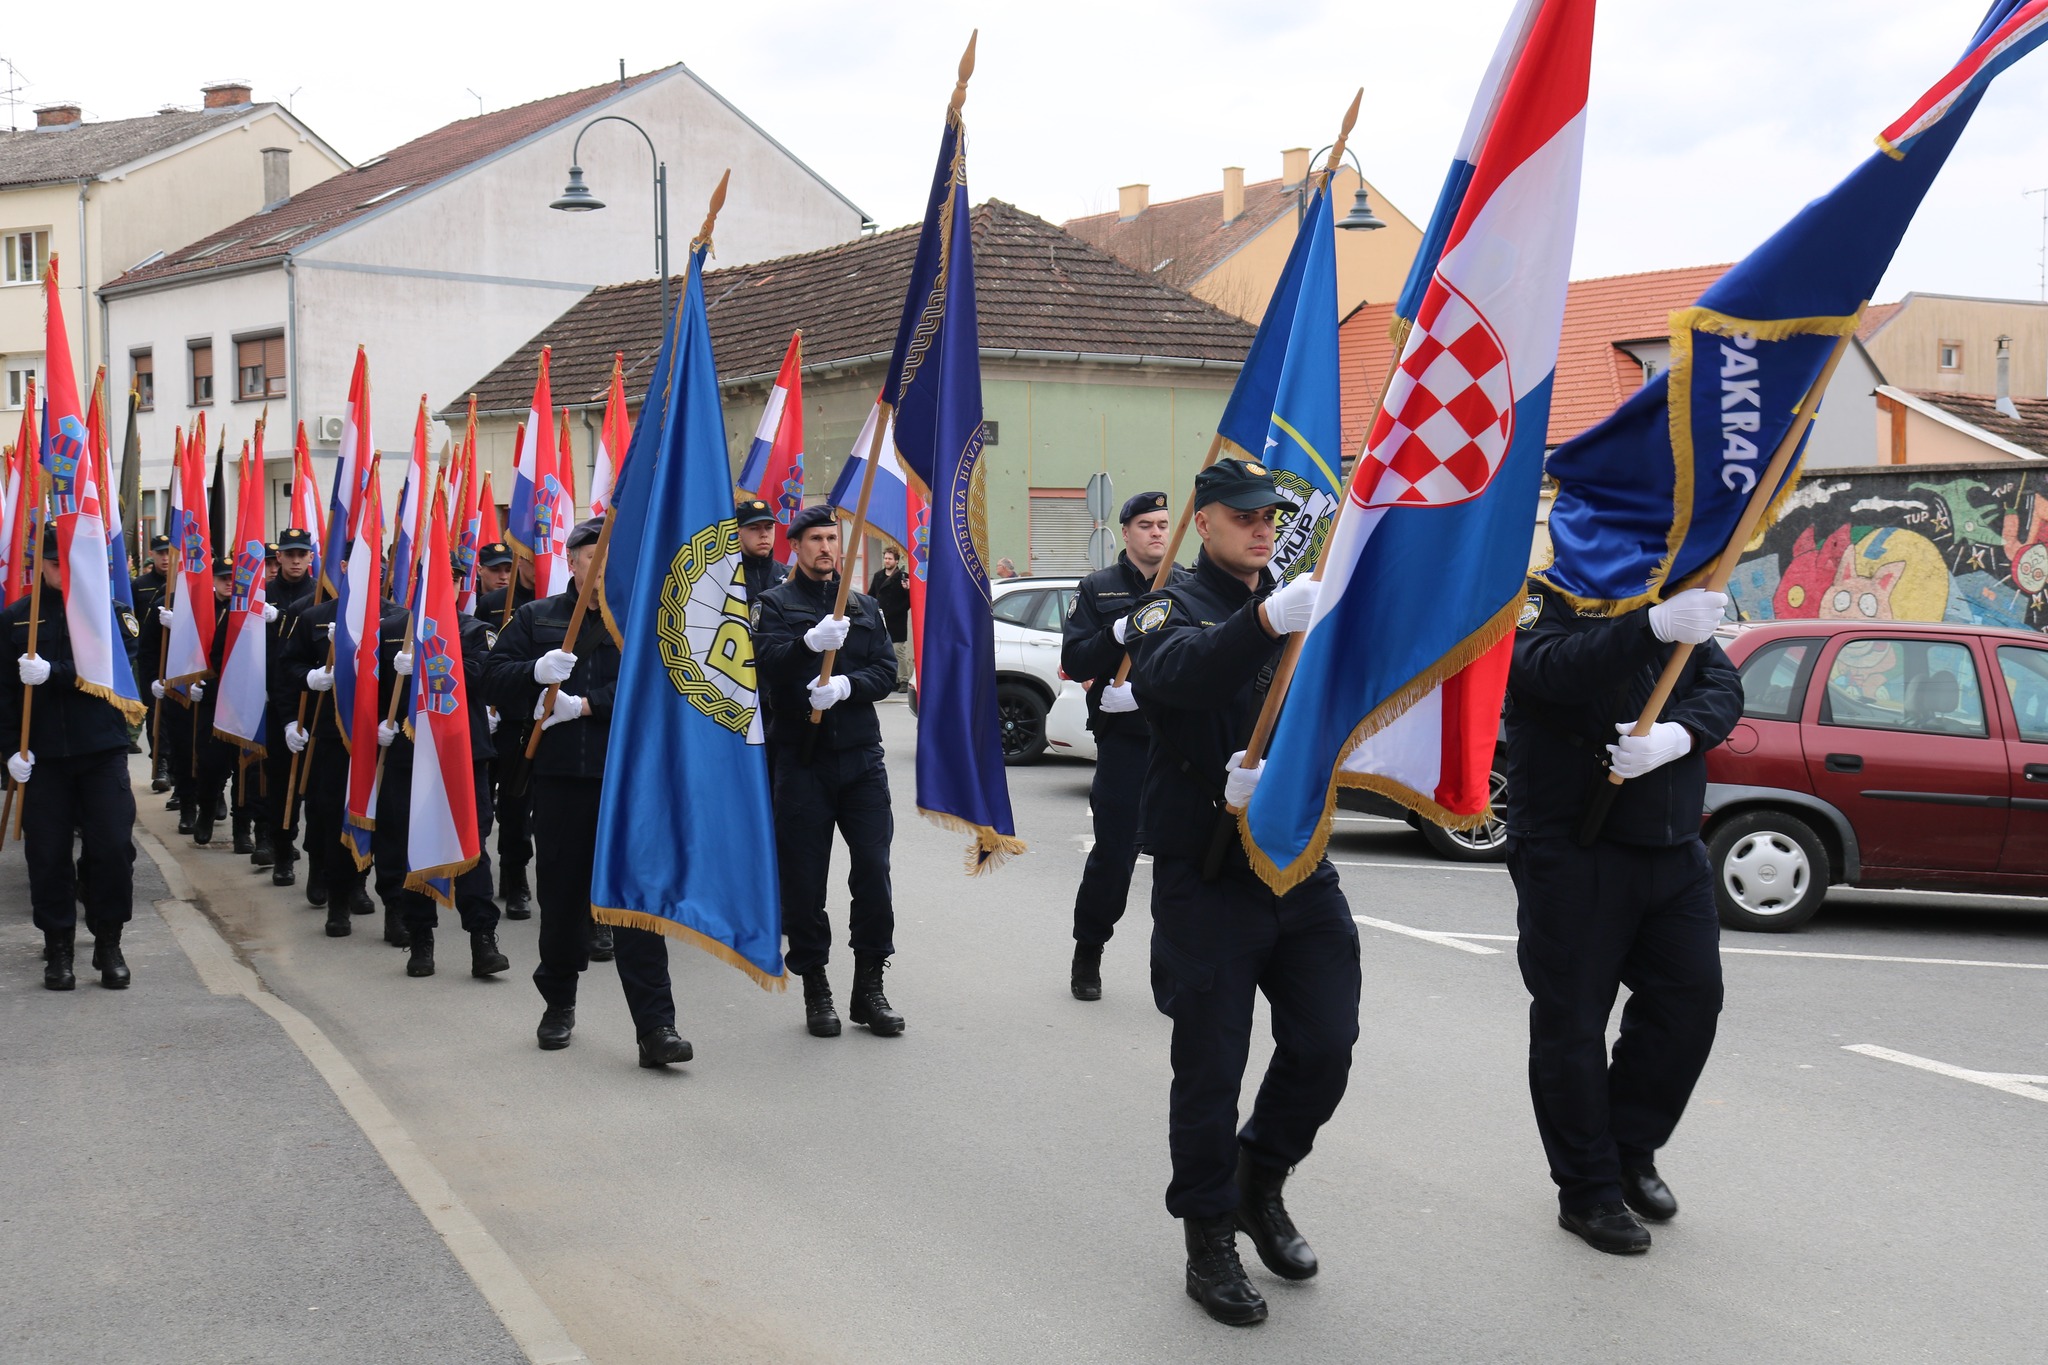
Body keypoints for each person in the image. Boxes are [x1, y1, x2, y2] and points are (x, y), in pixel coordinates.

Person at [1122, 458, 1360, 1328]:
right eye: (1244, 515)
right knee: (1211, 1068)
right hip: (1208, 871)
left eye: (1271, 516)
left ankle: (1263, 1175)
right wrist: (1265, 619)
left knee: (1327, 1043)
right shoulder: (1168, 603)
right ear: (1206, 520)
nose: (1262, 528)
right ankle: (1210, 1234)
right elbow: (1175, 676)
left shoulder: (1300, 601)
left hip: (1294, 864)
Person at [1501, 580, 1740, 1255]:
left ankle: (1630, 1149)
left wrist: (1679, 735)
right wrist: (1651, 627)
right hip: (1575, 845)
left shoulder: (1666, 597)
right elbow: (1547, 672)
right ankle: (1587, 1188)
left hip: (1670, 846)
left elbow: (1722, 686)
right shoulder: (1543, 600)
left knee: (1689, 1004)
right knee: (1571, 1020)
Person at [483, 518, 689, 1068]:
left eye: (609, 560)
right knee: (564, 902)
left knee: (637, 907)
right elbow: (489, 674)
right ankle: (559, 1003)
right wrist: (534, 672)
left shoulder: (640, 619)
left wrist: (588, 703)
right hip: (561, 782)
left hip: (627, 783)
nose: (599, 570)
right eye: (590, 558)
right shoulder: (535, 616)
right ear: (571, 561)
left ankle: (656, 1027)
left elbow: (661, 683)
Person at [753, 504, 904, 1039]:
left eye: (832, 539)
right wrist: (806, 647)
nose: (825, 548)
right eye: (815, 539)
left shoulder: (862, 605)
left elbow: (886, 670)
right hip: (802, 758)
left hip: (861, 759)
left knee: (873, 872)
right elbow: (764, 662)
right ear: (795, 546)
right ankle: (816, 983)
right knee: (805, 879)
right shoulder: (773, 604)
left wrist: (845, 687)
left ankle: (869, 986)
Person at [1, 525, 141, 990]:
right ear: (39, 563)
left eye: (68, 561)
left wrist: (55, 672)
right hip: (42, 757)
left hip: (100, 751)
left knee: (111, 850)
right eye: (53, 561)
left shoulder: (108, 613)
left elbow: (115, 666)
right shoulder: (17, 618)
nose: (61, 570)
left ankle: (108, 941)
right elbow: (3, 694)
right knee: (47, 855)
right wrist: (8, 755)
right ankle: (58, 946)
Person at [1062, 490, 1178, 1001]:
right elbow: (1078, 660)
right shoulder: (1098, 588)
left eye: (1164, 524)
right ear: (1125, 532)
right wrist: (1113, 633)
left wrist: (1150, 692)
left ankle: (1173, 965)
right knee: (1114, 857)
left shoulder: (1189, 583)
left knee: (1180, 861)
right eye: (1147, 524)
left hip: (1177, 742)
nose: (1157, 532)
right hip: (1125, 746)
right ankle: (1089, 948)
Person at [377, 606, 509, 980]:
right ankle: (420, 938)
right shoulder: (392, 631)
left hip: (463, 753)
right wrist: (375, 725)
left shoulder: (474, 630)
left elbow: (484, 678)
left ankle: (482, 940)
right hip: (410, 754)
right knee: (415, 845)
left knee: (470, 847)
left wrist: (425, 663)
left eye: (454, 578)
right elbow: (369, 685)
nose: (446, 584)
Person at [282, 589, 406, 935]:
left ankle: (391, 906)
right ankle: (338, 902)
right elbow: (288, 664)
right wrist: (309, 678)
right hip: (336, 735)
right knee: (336, 818)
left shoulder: (400, 619)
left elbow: (410, 680)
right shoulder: (315, 617)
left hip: (384, 737)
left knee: (389, 823)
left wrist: (392, 717)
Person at [475, 541, 537, 924]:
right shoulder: (494, 602)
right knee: (510, 806)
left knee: (529, 805)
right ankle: (513, 878)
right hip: (504, 718)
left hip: (543, 718)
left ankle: (523, 878)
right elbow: (484, 658)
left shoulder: (561, 599)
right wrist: (486, 702)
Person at [258, 527, 318, 883]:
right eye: (289, 554)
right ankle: (282, 852)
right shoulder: (263, 595)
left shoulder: (320, 597)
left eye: (302, 554)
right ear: (277, 557)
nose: (296, 560)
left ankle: (319, 863)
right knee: (282, 784)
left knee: (320, 791)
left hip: (316, 703)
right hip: (276, 700)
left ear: (311, 557)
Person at [132, 534, 173, 792]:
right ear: (153, 555)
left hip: (178, 660)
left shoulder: (184, 583)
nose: (166, 558)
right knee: (155, 714)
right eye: (160, 553)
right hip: (150, 658)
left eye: (169, 553)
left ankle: (177, 766)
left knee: (178, 717)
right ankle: (160, 764)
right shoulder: (140, 585)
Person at [866, 546, 913, 692]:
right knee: (884, 651)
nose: (887, 561)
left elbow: (910, 600)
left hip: (897, 620)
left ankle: (904, 679)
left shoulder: (903, 576)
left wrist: (907, 590)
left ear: (896, 561)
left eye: (890, 559)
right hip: (881, 618)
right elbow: (871, 595)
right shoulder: (879, 575)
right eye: (885, 558)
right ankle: (893, 680)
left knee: (898, 650)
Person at [736, 498, 788, 604]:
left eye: (769, 528)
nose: (764, 534)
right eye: (754, 528)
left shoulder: (790, 576)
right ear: (739, 533)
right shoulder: (727, 577)